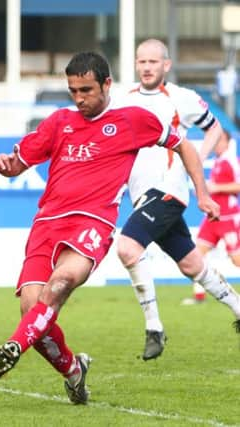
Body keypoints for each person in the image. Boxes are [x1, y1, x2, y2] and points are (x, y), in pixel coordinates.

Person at [0, 51, 219, 405]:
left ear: (107, 84)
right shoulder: (59, 121)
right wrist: (5, 165)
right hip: (46, 223)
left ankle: (14, 345)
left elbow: (183, 145)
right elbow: (18, 164)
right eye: (73, 90)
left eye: (87, 90)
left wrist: (202, 193)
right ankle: (74, 371)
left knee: (61, 283)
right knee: (34, 313)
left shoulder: (134, 120)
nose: (79, 98)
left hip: (92, 222)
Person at [116, 39, 240, 361]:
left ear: (166, 66)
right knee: (192, 265)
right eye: (141, 61)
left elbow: (213, 128)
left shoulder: (182, 99)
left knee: (128, 247)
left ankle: (154, 327)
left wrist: (194, 158)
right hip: (142, 195)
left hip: (169, 190)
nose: (146, 67)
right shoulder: (123, 99)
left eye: (153, 62)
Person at [182, 129, 240, 305]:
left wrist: (217, 187)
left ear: (227, 142)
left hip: (228, 219)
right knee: (197, 255)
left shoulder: (231, 160)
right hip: (212, 218)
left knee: (237, 260)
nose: (217, 143)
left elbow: (238, 185)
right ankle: (199, 296)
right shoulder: (218, 161)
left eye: (220, 140)